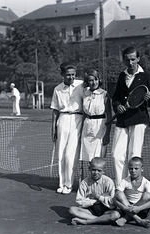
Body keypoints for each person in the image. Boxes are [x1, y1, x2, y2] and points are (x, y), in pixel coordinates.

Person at [111, 46, 150, 186]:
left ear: (138, 58)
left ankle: (132, 186)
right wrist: (117, 105)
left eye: (133, 59)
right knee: (116, 155)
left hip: (139, 119)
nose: (130, 63)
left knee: (134, 155)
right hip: (122, 120)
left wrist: (148, 98)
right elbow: (115, 98)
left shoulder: (146, 75)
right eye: (127, 60)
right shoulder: (121, 75)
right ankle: (120, 186)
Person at [51, 62, 84, 195]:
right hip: (63, 119)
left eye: (73, 75)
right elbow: (55, 110)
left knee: (71, 155)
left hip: (77, 119)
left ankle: (69, 184)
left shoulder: (81, 85)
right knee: (61, 154)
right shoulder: (57, 89)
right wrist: (53, 128)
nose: (71, 77)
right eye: (68, 75)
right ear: (62, 75)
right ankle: (61, 183)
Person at [69, 157, 120, 225]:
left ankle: (87, 221)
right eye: (93, 170)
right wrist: (95, 200)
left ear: (104, 171)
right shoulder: (84, 182)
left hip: (106, 209)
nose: (96, 173)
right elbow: (80, 202)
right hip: (90, 210)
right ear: (89, 169)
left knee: (116, 215)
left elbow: (112, 203)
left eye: (99, 170)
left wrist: (98, 197)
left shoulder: (108, 182)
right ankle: (102, 219)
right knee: (72, 210)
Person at [113, 156, 150, 228]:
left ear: (142, 169)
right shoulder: (124, 181)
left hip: (141, 211)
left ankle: (126, 218)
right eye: (131, 168)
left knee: (147, 195)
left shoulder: (147, 183)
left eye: (136, 168)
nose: (133, 171)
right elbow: (114, 198)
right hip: (127, 207)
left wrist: (138, 208)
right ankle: (138, 220)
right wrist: (124, 207)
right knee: (119, 194)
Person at [80, 69, 112, 161]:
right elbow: (84, 114)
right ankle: (90, 176)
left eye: (96, 79)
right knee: (88, 158)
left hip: (100, 127)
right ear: (87, 82)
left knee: (98, 158)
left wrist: (107, 134)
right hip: (87, 128)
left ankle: (100, 176)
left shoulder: (104, 94)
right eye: (91, 80)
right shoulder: (84, 94)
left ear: (99, 80)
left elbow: (109, 115)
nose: (94, 82)